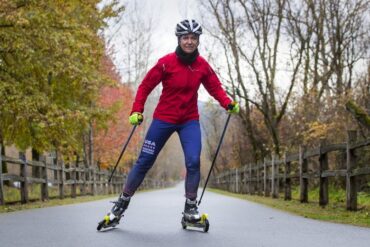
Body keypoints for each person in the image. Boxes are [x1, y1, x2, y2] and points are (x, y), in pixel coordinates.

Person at [104, 19, 239, 226]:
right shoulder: (166, 62)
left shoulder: (202, 65)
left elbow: (215, 87)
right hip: (163, 119)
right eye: (186, 37)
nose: (189, 42)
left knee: (193, 162)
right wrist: (136, 110)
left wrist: (227, 102)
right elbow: (145, 86)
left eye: (193, 38)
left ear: (198, 40)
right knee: (144, 162)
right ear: (179, 39)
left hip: (189, 121)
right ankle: (120, 205)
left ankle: (190, 209)